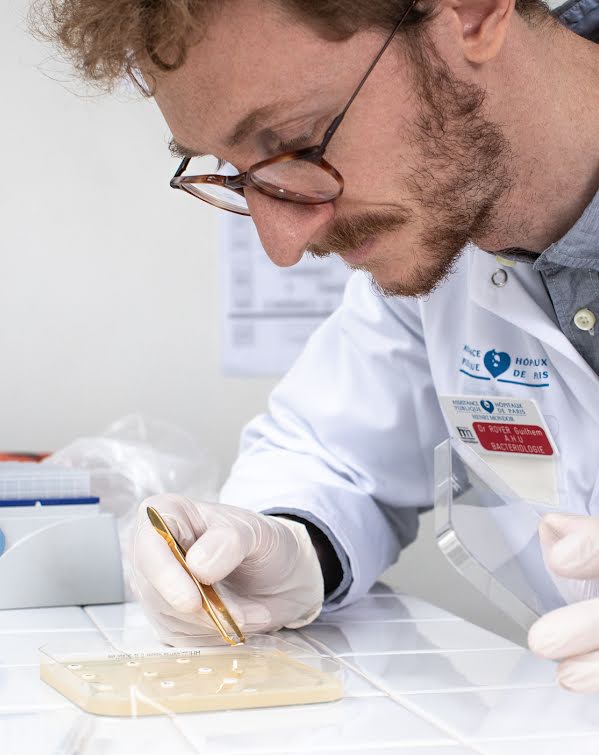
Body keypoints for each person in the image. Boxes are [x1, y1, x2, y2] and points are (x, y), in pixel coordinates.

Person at [34, 0, 599, 691]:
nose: (283, 243)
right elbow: (334, 456)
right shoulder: (442, 244)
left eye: (298, 143)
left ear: (473, 14)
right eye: (238, 174)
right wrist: (280, 540)